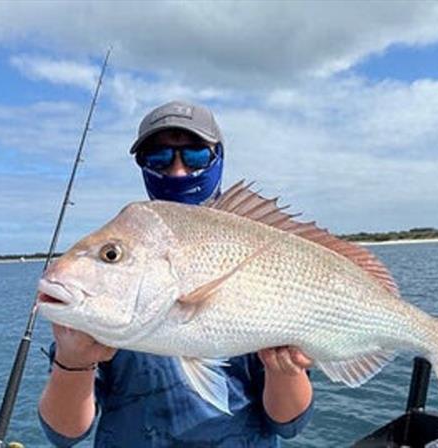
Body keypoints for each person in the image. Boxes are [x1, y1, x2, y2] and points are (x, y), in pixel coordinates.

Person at [38, 100, 314, 447]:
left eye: (195, 155)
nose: (178, 171)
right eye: (159, 158)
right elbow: (65, 434)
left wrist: (282, 370)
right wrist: (72, 362)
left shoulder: (259, 242)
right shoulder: (103, 299)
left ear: (218, 158)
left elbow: (288, 424)